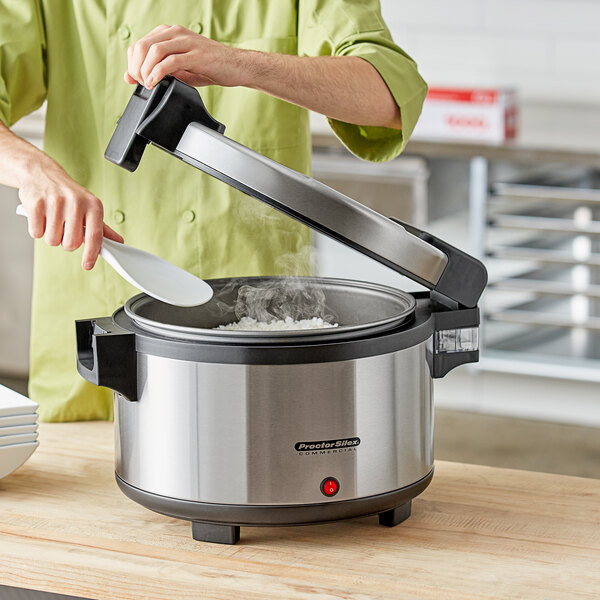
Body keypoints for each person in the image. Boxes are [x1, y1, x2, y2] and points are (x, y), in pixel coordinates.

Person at [0, 1, 427, 421]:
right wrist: (32, 169)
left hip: (253, 333)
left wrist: (240, 63)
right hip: (95, 321)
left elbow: (388, 97)